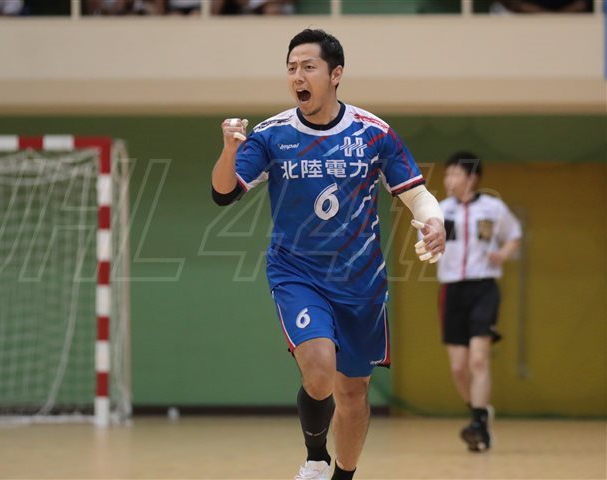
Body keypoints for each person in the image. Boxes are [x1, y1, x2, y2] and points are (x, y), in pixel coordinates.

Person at [211, 29, 446, 480]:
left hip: (361, 282)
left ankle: (342, 475)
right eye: (291, 68)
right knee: (319, 371)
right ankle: (315, 457)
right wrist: (228, 151)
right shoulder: (272, 134)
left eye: (308, 67)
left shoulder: (373, 133)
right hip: (297, 272)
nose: (297, 76)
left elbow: (417, 194)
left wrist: (434, 220)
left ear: (335, 74)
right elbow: (224, 193)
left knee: (353, 394)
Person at [436, 152, 522, 452]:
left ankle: (477, 424)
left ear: (471, 178)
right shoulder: (441, 210)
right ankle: (480, 413)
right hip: (451, 291)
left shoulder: (492, 207)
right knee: (459, 368)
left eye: (455, 174)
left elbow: (514, 234)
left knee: (478, 360)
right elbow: (428, 240)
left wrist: (503, 253)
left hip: (483, 287)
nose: (449, 180)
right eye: (447, 174)